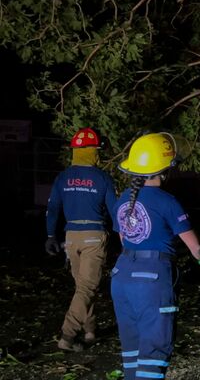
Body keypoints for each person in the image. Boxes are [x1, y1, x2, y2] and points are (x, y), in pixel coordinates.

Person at [111, 133, 200, 380]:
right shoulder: (168, 201)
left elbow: (124, 239)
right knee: (154, 352)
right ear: (163, 171)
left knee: (132, 352)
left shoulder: (122, 200)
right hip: (152, 279)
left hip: (121, 276)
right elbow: (194, 246)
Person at [45, 127, 117, 352]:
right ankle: (68, 335)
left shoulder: (63, 177)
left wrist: (50, 235)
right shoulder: (103, 178)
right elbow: (115, 212)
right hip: (94, 237)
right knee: (87, 287)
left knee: (83, 287)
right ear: (94, 151)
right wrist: (124, 237)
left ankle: (90, 330)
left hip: (71, 238)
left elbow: (52, 209)